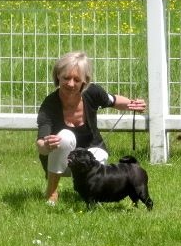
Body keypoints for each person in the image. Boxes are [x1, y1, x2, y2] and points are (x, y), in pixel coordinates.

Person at [36, 51, 146, 205]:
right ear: (57, 77)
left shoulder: (92, 93)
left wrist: (132, 103)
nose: (71, 84)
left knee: (98, 158)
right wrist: (47, 145)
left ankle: (94, 195)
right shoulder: (49, 104)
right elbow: (40, 145)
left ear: (84, 81)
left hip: (91, 155)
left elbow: (113, 100)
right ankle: (52, 191)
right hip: (61, 161)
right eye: (66, 78)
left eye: (77, 79)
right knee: (65, 137)